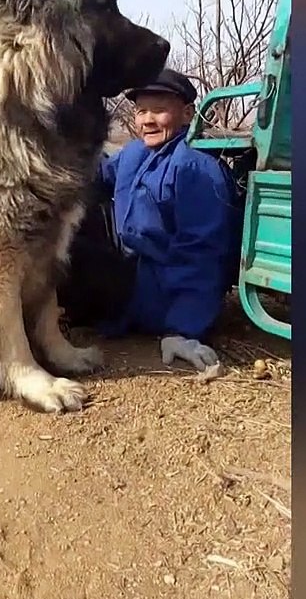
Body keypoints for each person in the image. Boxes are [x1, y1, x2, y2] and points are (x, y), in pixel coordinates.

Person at [58, 69, 241, 372]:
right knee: (67, 212)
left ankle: (46, 318)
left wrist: (181, 330)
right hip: (129, 269)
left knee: (70, 255)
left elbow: (201, 253)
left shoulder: (195, 169)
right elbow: (96, 177)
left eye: (159, 110)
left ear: (186, 114)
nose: (147, 120)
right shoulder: (134, 153)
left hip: (158, 291)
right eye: (142, 110)